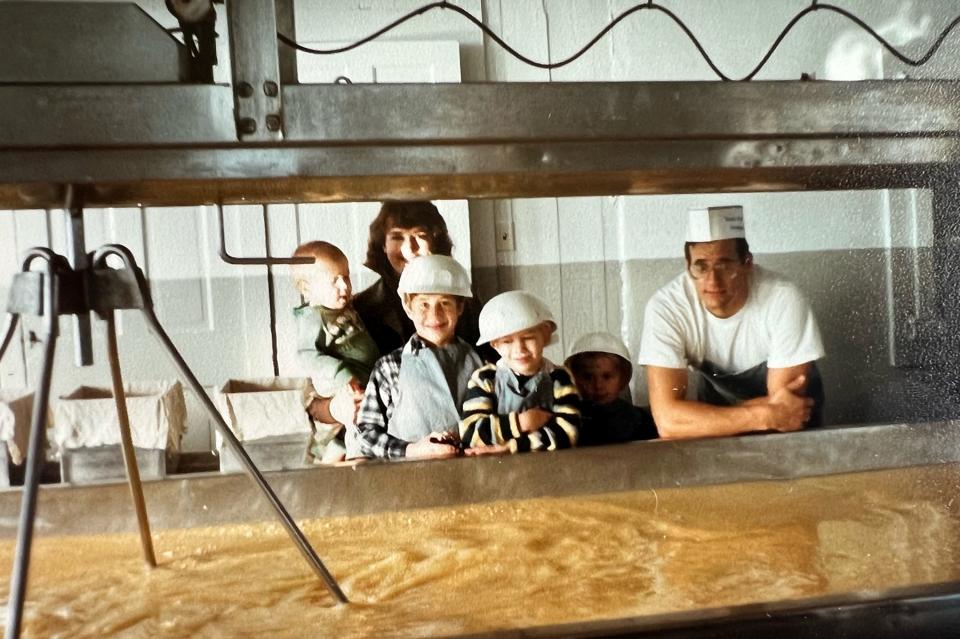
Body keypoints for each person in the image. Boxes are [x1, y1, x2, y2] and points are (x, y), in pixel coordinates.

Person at [638, 205, 825, 440]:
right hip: (718, 441)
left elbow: (786, 416)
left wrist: (704, 419)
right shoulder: (667, 308)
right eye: (701, 266)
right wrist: (761, 415)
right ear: (688, 266)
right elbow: (668, 422)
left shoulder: (783, 298)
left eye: (724, 264)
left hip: (793, 441)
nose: (712, 280)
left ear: (747, 263)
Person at [355, 255, 484, 460]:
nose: (435, 315)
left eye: (444, 303)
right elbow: (365, 435)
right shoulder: (389, 367)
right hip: (407, 480)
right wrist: (412, 450)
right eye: (424, 304)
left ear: (460, 307)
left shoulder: (480, 363)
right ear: (408, 307)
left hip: (473, 475)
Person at [353, 201, 494, 361]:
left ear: (435, 240)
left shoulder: (464, 297)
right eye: (397, 237)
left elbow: (485, 357)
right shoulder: (364, 306)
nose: (409, 248)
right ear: (383, 245)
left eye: (420, 235)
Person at [460, 291, 581, 454]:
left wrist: (511, 447)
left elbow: (569, 433)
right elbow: (470, 434)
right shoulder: (485, 379)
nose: (520, 349)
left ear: (545, 335)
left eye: (528, 337)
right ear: (494, 344)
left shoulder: (560, 378)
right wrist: (522, 422)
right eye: (507, 341)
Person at [290, 241, 379, 461]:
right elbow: (307, 355)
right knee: (351, 424)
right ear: (307, 289)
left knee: (358, 424)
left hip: (363, 378)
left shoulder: (342, 307)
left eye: (346, 276)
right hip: (341, 384)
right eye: (334, 281)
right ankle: (334, 460)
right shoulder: (313, 317)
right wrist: (342, 376)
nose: (345, 286)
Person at [565, 332, 658, 446]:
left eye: (607, 376)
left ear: (623, 378)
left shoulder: (637, 418)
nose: (598, 385)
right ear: (573, 378)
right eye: (588, 377)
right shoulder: (569, 416)